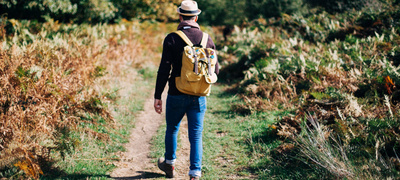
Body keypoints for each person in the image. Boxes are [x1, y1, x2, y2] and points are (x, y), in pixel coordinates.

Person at [153, 0, 219, 179]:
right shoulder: (207, 38)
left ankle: (169, 165)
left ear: (180, 16)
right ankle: (195, 173)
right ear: (196, 16)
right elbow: (216, 70)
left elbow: (164, 69)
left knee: (172, 129)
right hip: (198, 95)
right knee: (196, 135)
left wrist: (158, 95)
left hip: (176, 92)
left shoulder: (172, 38)